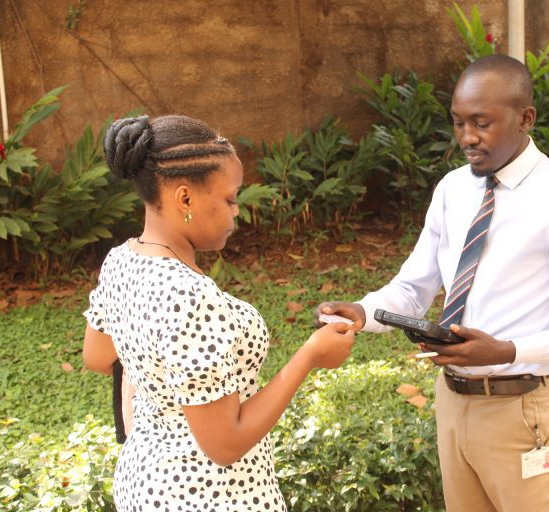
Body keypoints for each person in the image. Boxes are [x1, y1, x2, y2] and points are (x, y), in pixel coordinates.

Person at [316, 55, 549, 512]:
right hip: (453, 400)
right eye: (459, 122)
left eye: (482, 123)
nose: (467, 137)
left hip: (521, 411)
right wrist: (363, 312)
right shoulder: (452, 190)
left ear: (525, 118)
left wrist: (506, 351)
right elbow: (413, 288)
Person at [82, 114, 355, 511]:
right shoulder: (190, 296)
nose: (236, 211)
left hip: (144, 481)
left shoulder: (121, 261)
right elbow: (225, 444)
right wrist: (310, 355)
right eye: (230, 199)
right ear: (185, 199)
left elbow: (97, 356)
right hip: (211, 494)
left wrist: (164, 388)